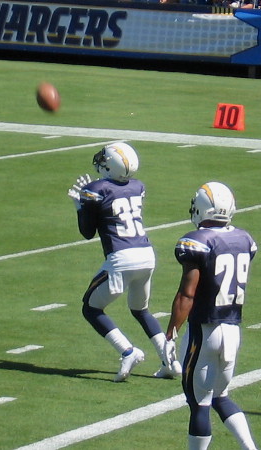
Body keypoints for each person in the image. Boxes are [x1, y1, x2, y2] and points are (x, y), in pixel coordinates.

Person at [67, 142, 181, 382]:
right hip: (146, 255)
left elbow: (87, 232)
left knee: (90, 307)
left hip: (121, 258)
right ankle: (170, 362)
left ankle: (128, 351)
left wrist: (81, 206)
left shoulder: (95, 189)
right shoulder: (138, 186)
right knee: (141, 310)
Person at [163, 182, 258, 450]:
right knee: (221, 396)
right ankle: (250, 448)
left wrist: (171, 333)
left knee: (200, 404)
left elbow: (187, 294)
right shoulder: (245, 239)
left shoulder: (196, 241)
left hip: (204, 331)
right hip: (232, 329)